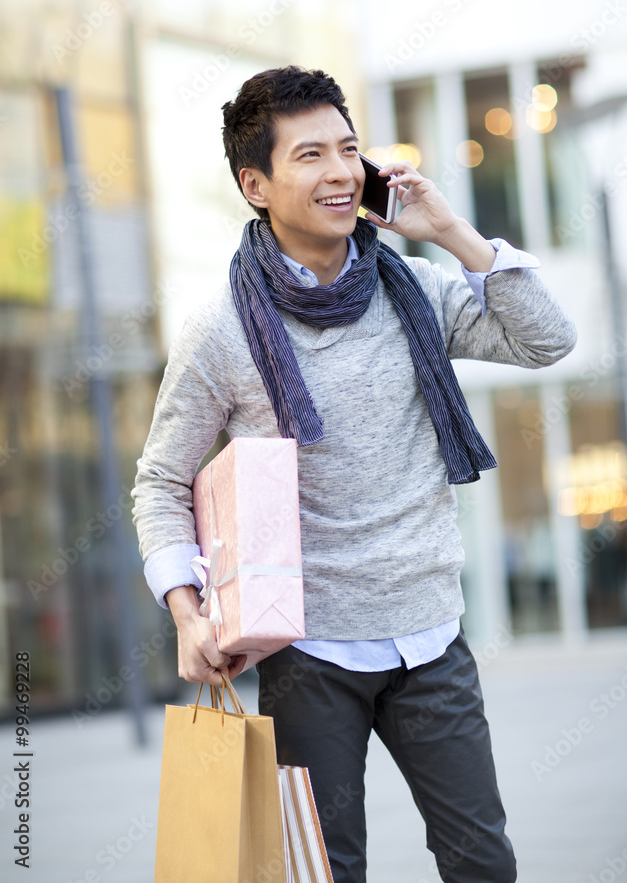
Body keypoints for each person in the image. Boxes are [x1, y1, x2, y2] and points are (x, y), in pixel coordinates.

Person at [132, 65, 576, 882]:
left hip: (429, 633)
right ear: (255, 183)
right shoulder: (221, 331)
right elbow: (159, 482)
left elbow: (545, 341)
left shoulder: (413, 288)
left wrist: (450, 232)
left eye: (348, 149)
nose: (339, 172)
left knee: (483, 861)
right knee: (323, 870)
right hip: (306, 651)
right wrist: (189, 615)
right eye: (310, 156)